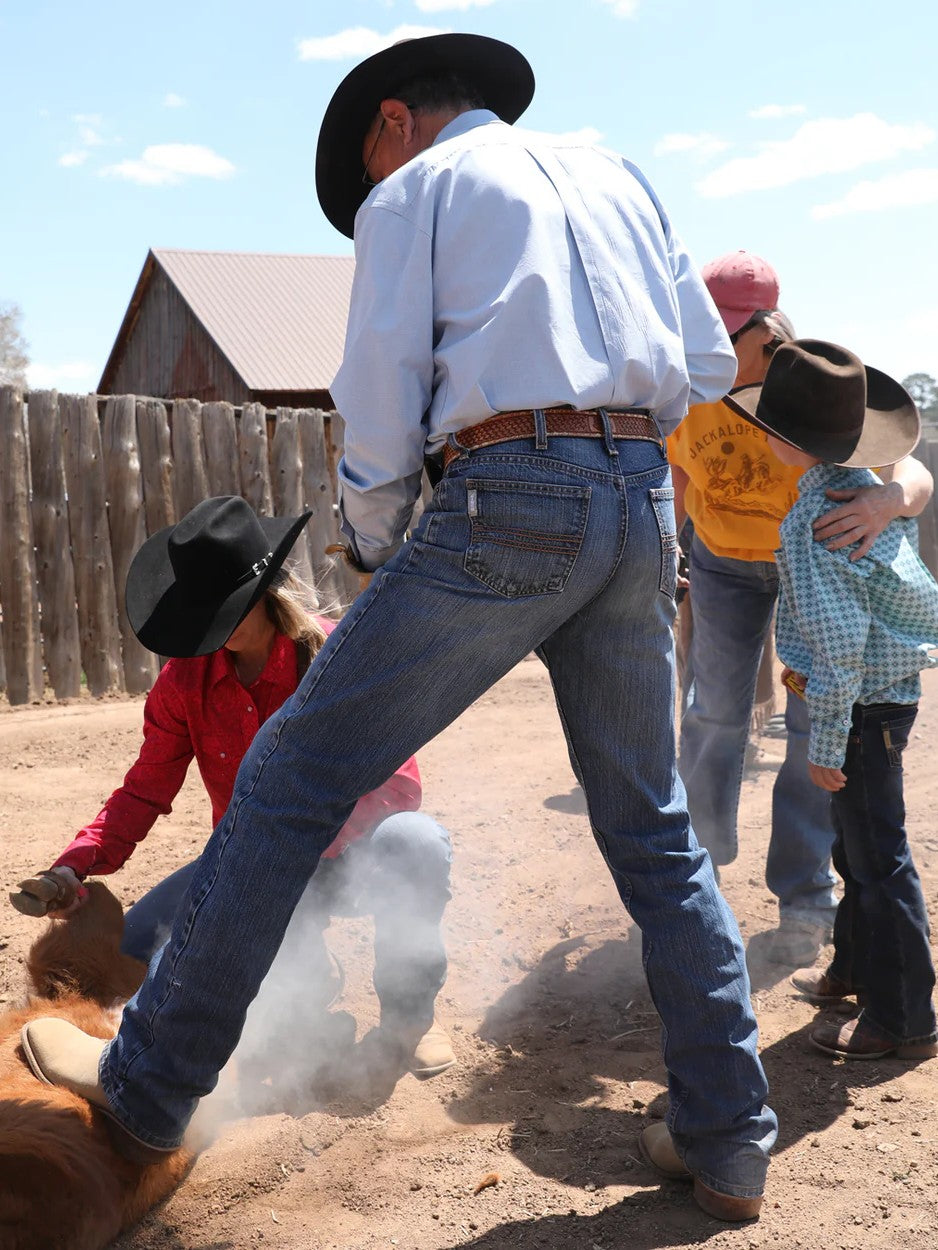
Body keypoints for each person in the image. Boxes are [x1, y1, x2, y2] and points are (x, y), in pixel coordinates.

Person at [21, 33, 775, 1221]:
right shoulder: (619, 170)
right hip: (637, 500)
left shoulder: (412, 193)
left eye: (363, 171)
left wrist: (375, 540)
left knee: (287, 776)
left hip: (504, 494)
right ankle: (728, 1134)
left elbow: (375, 390)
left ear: (390, 124)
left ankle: (152, 1084)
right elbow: (693, 359)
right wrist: (611, 436)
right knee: (655, 831)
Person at [12, 495, 455, 1079]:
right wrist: (75, 867)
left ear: (264, 596)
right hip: (250, 862)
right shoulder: (184, 683)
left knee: (415, 842)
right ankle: (303, 993)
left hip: (351, 857)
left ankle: (407, 1018)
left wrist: (299, 848)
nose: (209, 628)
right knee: (137, 947)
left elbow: (399, 785)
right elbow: (144, 789)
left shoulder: (334, 655)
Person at [668, 251, 934, 965]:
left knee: (812, 728)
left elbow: (907, 463)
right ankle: (697, 879)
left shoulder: (811, 387)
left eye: (730, 332)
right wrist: (667, 550)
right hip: (724, 563)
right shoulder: (688, 377)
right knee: (714, 714)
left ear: (769, 328)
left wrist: (886, 500)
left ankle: (804, 897)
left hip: (808, 568)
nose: (715, 345)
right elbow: (676, 468)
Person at [724, 339, 938, 1059]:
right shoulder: (865, 484)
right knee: (855, 843)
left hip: (859, 703)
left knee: (878, 857)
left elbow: (841, 647)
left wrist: (822, 742)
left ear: (783, 439)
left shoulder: (816, 523)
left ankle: (903, 1014)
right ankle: (854, 966)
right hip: (882, 693)